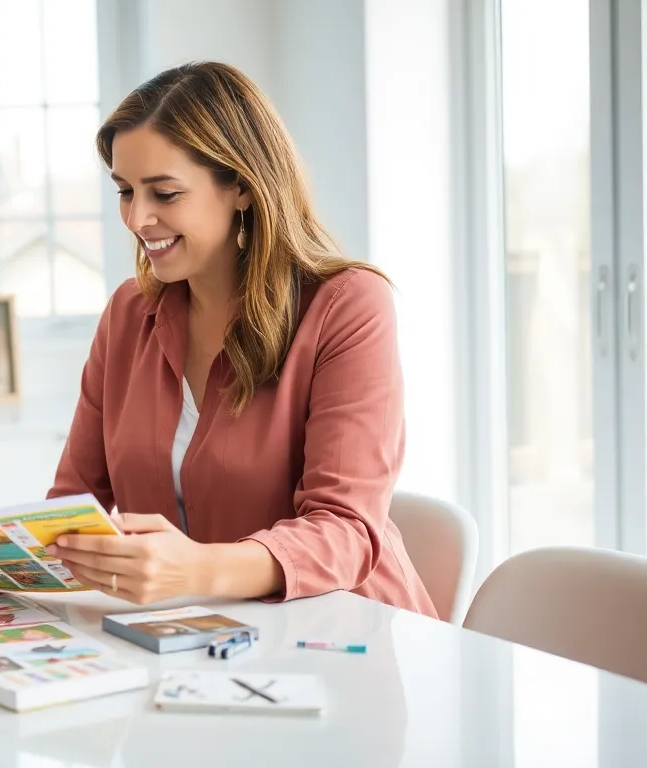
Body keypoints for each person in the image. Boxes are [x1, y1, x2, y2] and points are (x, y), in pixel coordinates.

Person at [43, 62, 437, 618]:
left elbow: (346, 529)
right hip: (196, 636)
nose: (138, 218)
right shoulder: (129, 313)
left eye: (166, 193)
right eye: (126, 192)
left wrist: (193, 569)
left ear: (243, 188)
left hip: (344, 629)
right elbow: (71, 506)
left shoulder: (347, 305)